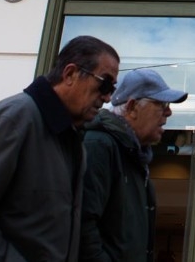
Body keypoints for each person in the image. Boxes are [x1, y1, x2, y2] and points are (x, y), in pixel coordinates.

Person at [0, 35, 120, 262]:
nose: (108, 96)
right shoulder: (13, 119)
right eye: (105, 83)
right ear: (70, 74)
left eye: (113, 88)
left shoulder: (72, 140)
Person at [80, 68, 189, 262]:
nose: (169, 112)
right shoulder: (100, 146)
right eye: (161, 104)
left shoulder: (135, 156)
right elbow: (83, 226)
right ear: (132, 107)